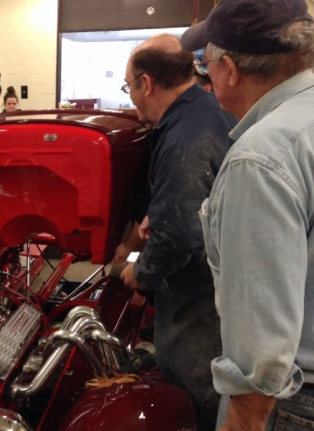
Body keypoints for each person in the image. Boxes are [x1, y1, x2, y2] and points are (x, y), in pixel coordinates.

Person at [181, 1, 314, 429]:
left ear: (230, 70)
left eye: (205, 64)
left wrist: (243, 419)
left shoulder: (260, 158)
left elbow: (262, 355)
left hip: (288, 404)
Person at [117, 34, 237, 430]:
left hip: (202, 306)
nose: (132, 98)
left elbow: (179, 235)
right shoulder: (206, 110)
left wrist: (141, 271)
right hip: (220, 291)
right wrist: (161, 211)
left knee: (201, 399)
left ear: (146, 83)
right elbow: (197, 200)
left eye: (129, 87)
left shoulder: (185, 134)